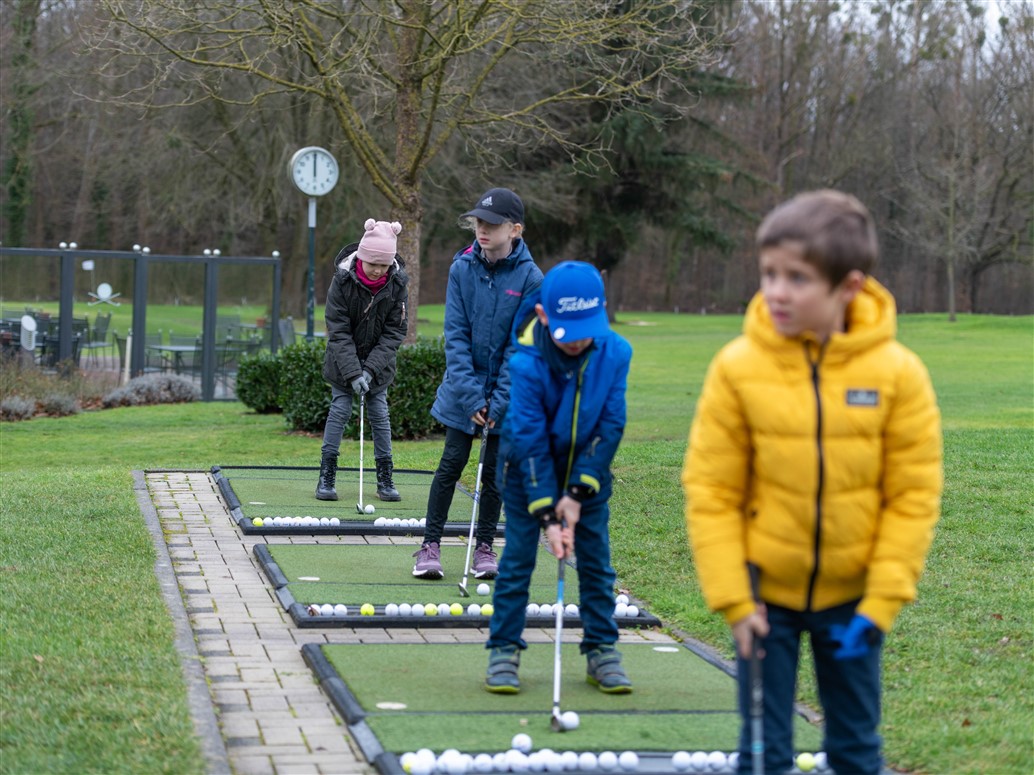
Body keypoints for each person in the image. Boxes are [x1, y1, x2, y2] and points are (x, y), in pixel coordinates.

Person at [682, 190, 943, 775]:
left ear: (848, 287)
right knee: (763, 752)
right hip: (762, 597)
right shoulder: (736, 367)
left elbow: (913, 497)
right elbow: (712, 491)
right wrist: (734, 598)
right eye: (769, 273)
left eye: (797, 278)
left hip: (854, 601)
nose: (776, 291)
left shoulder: (899, 375)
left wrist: (880, 604)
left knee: (855, 750)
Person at [483, 260, 634, 696]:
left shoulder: (615, 352)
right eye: (569, 331)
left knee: (596, 564)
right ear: (544, 316)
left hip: (588, 470)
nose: (579, 341)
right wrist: (550, 515)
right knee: (517, 563)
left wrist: (576, 493)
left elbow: (610, 424)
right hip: (525, 471)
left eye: (587, 329)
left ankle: (602, 649)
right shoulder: (526, 362)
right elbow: (529, 440)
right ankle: (504, 648)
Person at [411, 188, 543, 580]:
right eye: (478, 222)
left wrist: (498, 401)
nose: (482, 229)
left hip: (507, 394)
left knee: (495, 475)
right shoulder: (461, 269)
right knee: (451, 463)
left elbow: (520, 347)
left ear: (515, 230)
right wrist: (471, 397)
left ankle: (484, 547)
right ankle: (429, 545)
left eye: (492, 224)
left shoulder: (531, 278)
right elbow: (455, 336)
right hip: (462, 390)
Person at [316, 218, 409, 503]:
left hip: (378, 367)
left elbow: (395, 332)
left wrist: (369, 370)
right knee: (340, 410)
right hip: (342, 363)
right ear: (362, 257)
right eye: (373, 264)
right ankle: (326, 476)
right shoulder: (342, 281)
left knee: (380, 415)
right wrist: (354, 372)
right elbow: (338, 330)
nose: (378, 270)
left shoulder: (397, 284)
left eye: (384, 265)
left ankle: (385, 478)